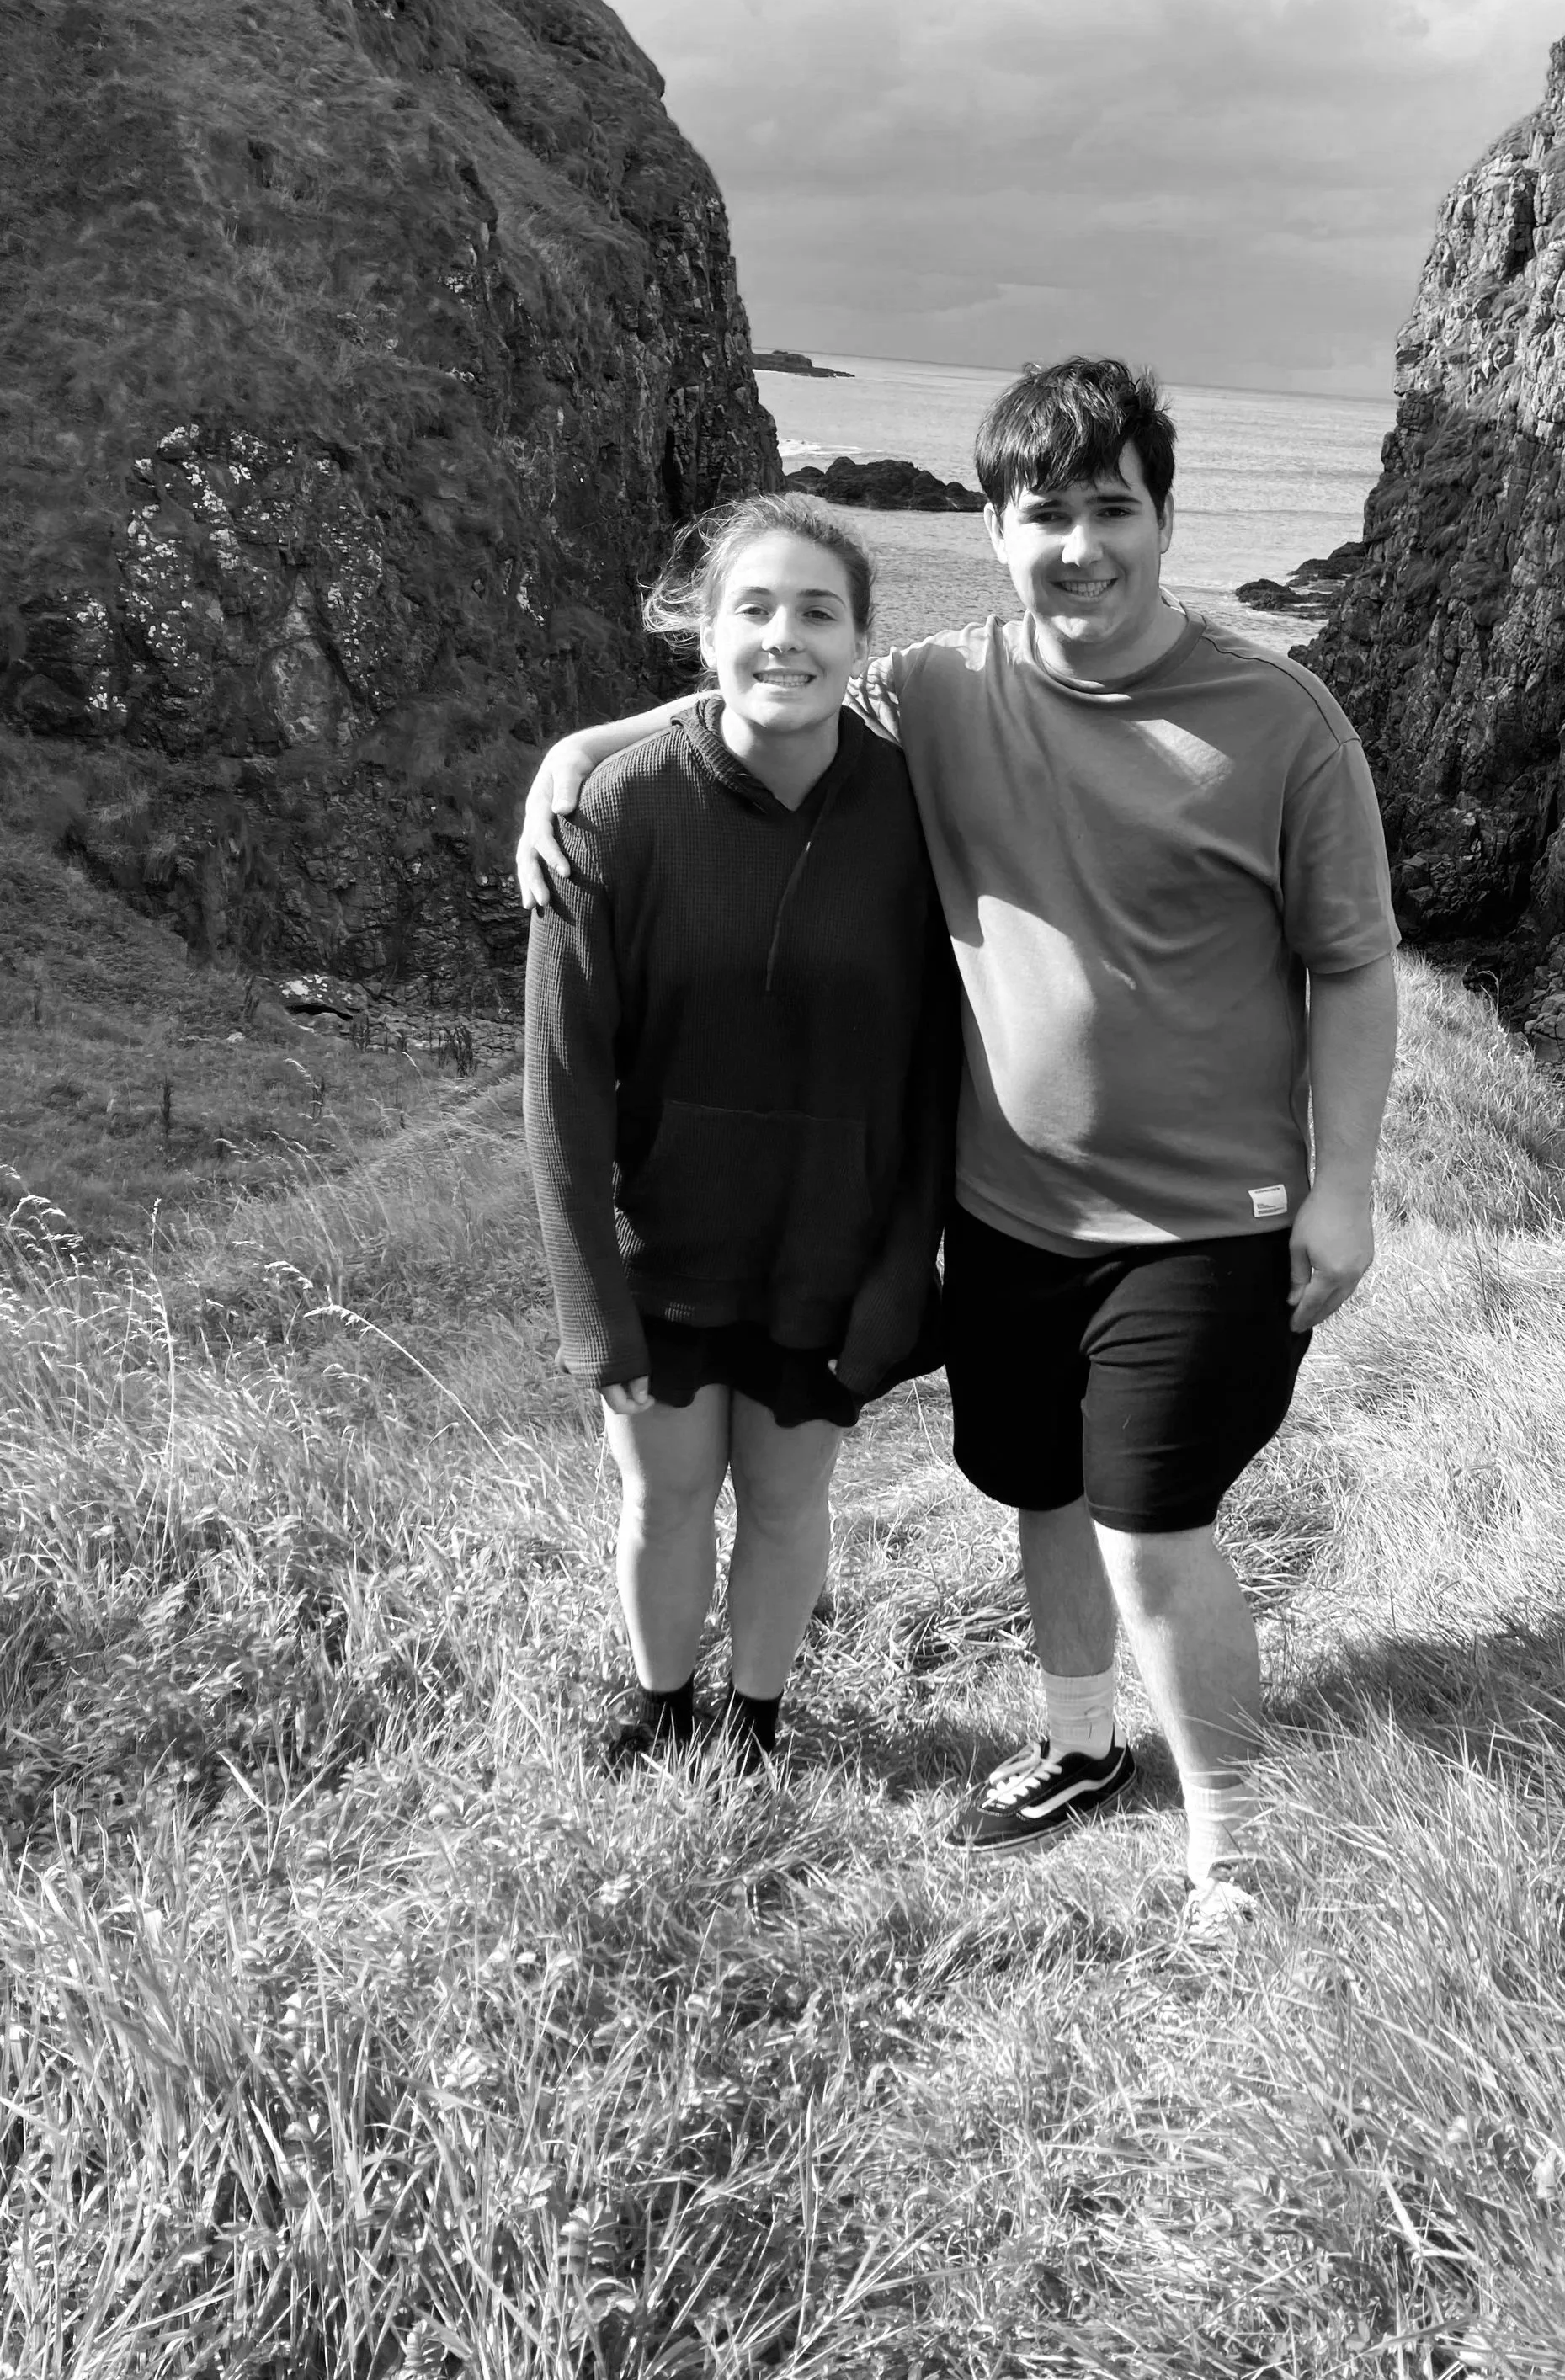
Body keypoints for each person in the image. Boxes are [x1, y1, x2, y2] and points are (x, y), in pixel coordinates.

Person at [519, 362, 1397, 1930]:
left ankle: (1233, 1851)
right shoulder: (941, 688)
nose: (1081, 547)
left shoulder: (1281, 721)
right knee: (1043, 1486)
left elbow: (1355, 962)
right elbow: (767, 683)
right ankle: (1079, 1745)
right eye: (1045, 514)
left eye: (1113, 509)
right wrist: (577, 753)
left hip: (1209, 1216)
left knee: (1148, 1521)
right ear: (997, 532)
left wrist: (1343, 1186)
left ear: (1165, 517)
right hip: (1008, 1215)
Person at [523, 496, 953, 1773]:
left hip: (828, 1251)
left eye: (818, 612)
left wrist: (901, 1278)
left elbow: (937, 1078)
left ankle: (754, 1729)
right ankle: (663, 1713)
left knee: (784, 1501)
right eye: (753, 609)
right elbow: (562, 1083)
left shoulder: (917, 818)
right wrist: (590, 1307)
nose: (785, 637)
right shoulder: (616, 807)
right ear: (705, 636)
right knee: (664, 1499)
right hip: (661, 1251)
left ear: (862, 640)